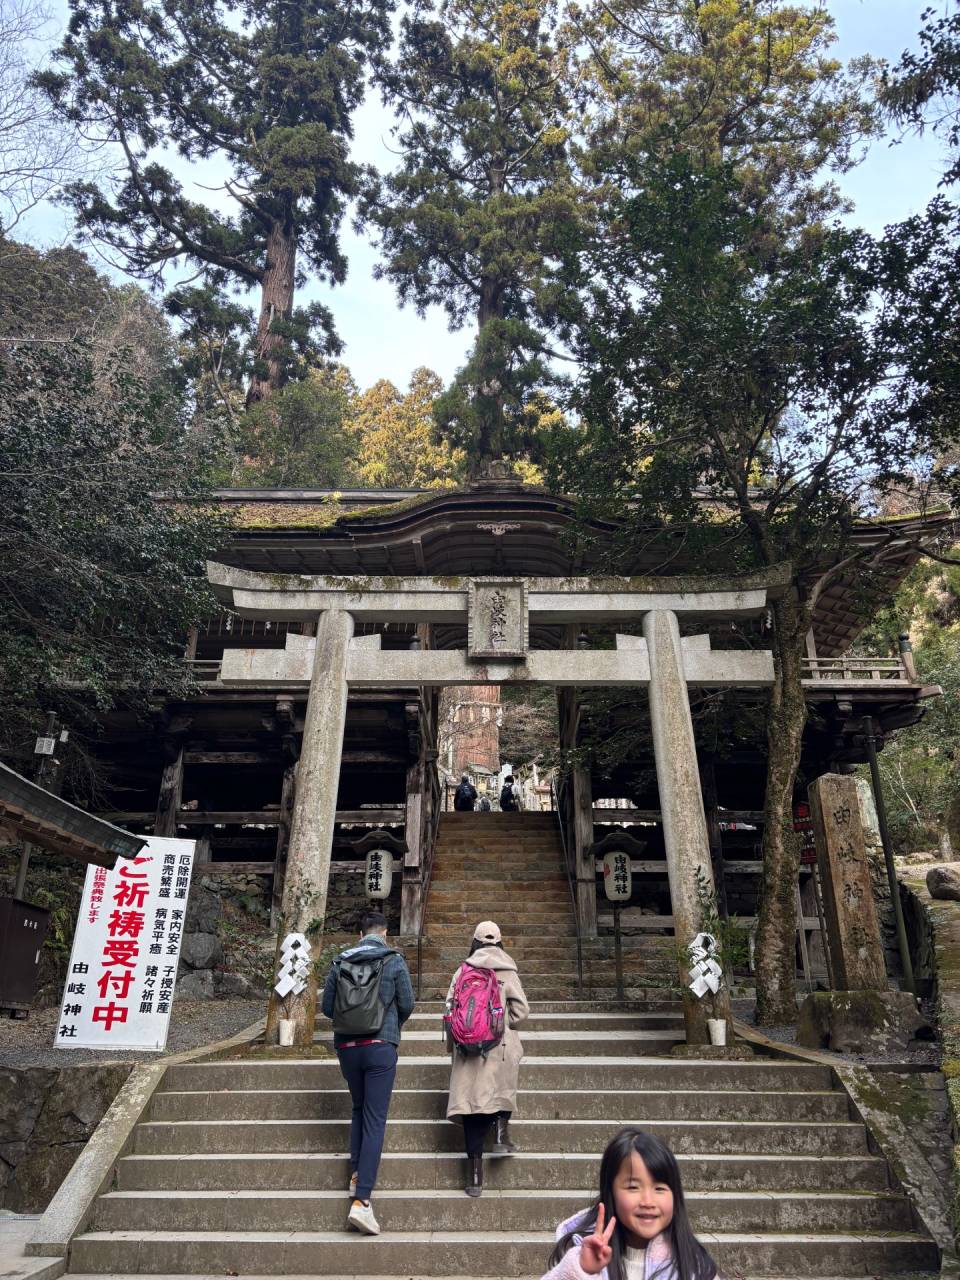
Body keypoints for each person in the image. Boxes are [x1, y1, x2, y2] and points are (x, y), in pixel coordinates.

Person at [321, 910, 415, 1236]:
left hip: (348, 1048)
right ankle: (362, 1201)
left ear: (360, 935)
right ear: (385, 934)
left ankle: (357, 1174)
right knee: (375, 1119)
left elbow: (328, 1007)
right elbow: (407, 1003)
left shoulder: (340, 961)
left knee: (359, 1109)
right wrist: (389, 1026)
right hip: (379, 1046)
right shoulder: (394, 960)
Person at [541, 1128, 718, 1280]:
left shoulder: (694, 1264)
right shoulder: (581, 1251)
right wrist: (582, 1270)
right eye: (633, 1187)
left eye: (659, 1188)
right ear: (610, 1192)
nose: (648, 1201)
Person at [445, 920, 529, 1197]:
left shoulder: (463, 970)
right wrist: (502, 1025)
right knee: (502, 1089)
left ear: (475, 941)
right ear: (499, 941)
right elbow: (521, 1013)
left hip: (468, 1049)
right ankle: (501, 1133)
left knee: (472, 1109)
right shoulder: (508, 970)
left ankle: (475, 1179)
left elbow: (450, 1008)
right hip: (498, 1046)